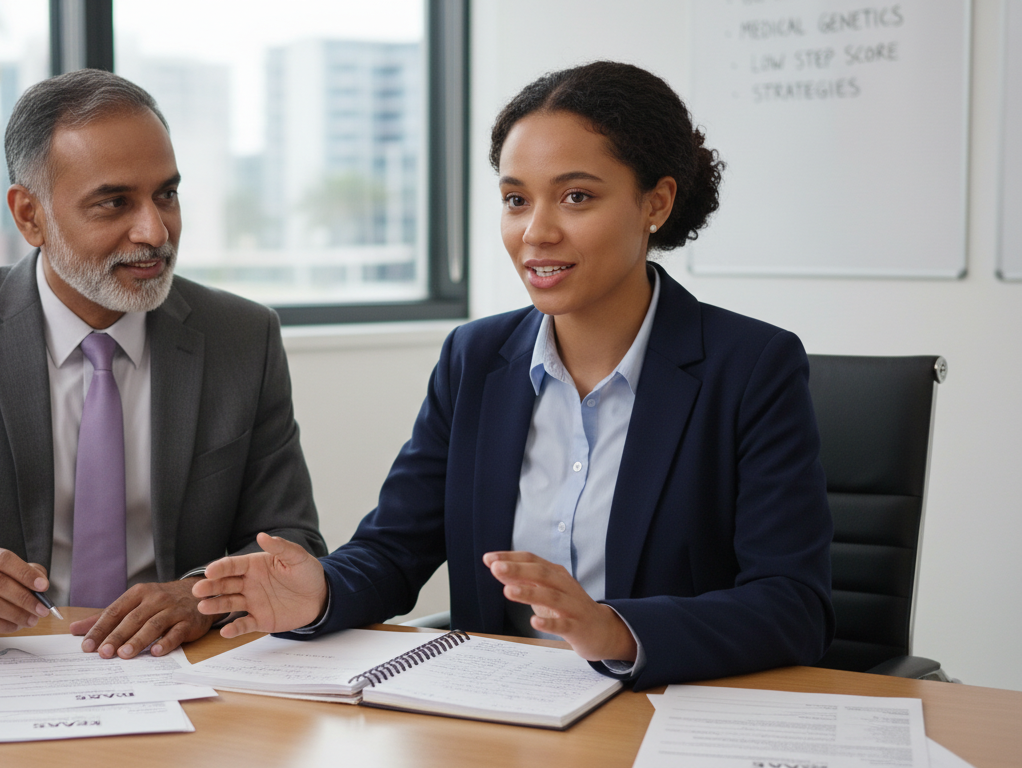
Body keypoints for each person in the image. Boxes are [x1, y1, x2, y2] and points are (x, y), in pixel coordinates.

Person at [192, 61, 834, 691]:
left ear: (655, 203)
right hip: (501, 716)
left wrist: (616, 629)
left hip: (663, 717)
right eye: (515, 199)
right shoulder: (475, 358)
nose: (536, 231)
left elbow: (792, 607)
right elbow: (394, 550)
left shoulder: (751, 367)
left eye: (576, 196)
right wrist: (321, 591)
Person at [0, 69, 326, 660]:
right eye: (114, 202)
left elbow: (292, 542)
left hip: (187, 672)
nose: (154, 230)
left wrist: (197, 594)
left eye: (166, 194)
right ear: (29, 216)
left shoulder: (243, 337)